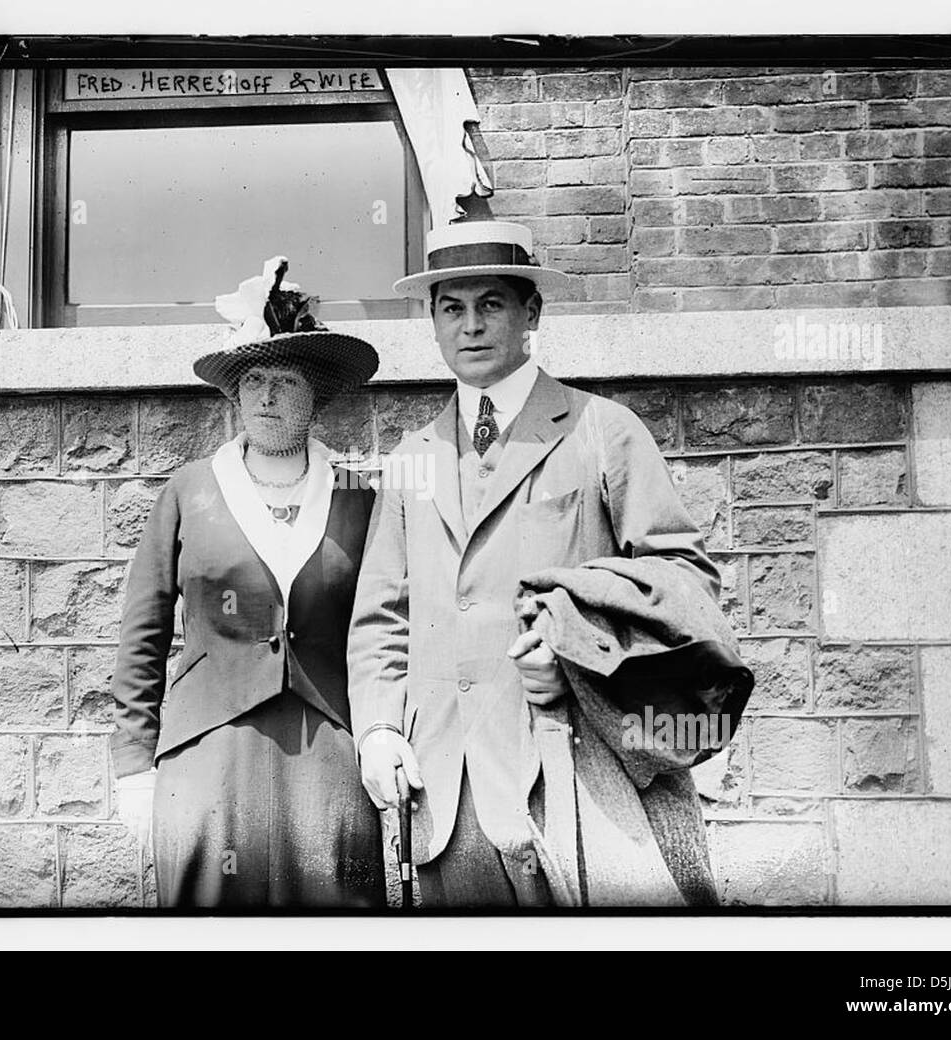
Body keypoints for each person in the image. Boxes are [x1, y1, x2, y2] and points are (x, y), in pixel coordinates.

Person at [347, 220, 724, 907]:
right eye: (451, 308)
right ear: (432, 322)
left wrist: (576, 650)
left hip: (574, 777)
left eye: (491, 303)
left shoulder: (602, 431)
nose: (470, 326)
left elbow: (686, 588)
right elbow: (381, 618)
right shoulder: (412, 459)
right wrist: (377, 729)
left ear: (532, 313)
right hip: (443, 790)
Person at [111, 257, 385, 908]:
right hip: (208, 762)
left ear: (314, 394)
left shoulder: (357, 500)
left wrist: (385, 734)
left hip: (327, 765)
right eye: (254, 378)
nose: (266, 395)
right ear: (234, 393)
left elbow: (387, 634)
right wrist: (132, 767)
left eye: (285, 380)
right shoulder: (191, 492)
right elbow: (141, 637)